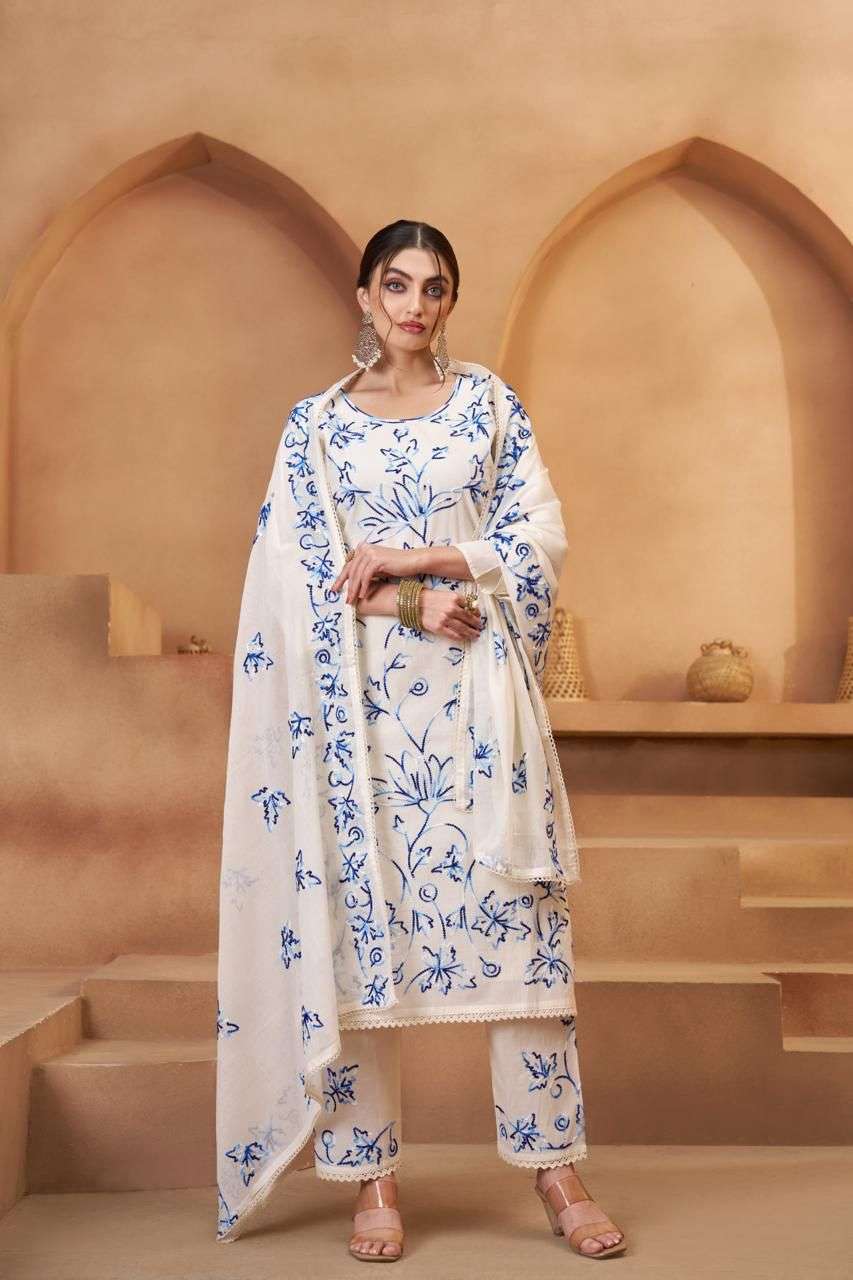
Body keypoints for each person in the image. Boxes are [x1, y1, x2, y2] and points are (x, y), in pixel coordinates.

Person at [215, 220, 626, 1262]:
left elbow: (538, 536)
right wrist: (408, 604)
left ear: (448, 300)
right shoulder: (315, 427)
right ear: (364, 296)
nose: (413, 304)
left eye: (433, 287)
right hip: (357, 719)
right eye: (394, 284)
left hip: (479, 709)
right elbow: (288, 577)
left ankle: (555, 1167)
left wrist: (424, 558)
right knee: (361, 934)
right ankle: (371, 1176)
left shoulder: (489, 405)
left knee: (518, 926)